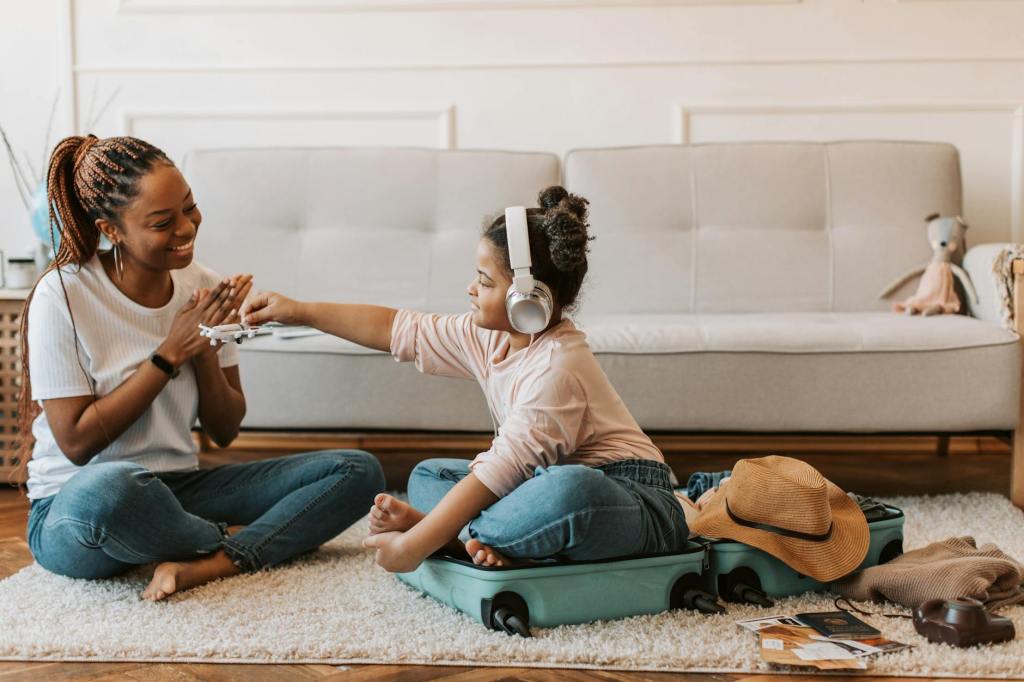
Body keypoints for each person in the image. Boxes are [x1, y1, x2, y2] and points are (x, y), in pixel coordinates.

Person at [243, 186, 688, 572]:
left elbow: (502, 470)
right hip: (533, 489)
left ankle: (447, 535)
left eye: (484, 280)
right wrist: (297, 311)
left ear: (527, 299)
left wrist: (412, 546)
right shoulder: (487, 337)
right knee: (428, 474)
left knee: (566, 492)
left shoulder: (558, 368)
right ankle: (493, 539)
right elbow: (397, 329)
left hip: (633, 501)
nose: (470, 289)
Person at [19, 135, 385, 599]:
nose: (187, 228)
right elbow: (75, 442)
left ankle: (209, 561)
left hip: (177, 488)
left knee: (358, 472)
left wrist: (207, 346)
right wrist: (169, 354)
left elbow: (225, 429)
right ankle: (226, 541)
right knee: (109, 489)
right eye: (162, 222)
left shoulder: (204, 285)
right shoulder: (63, 295)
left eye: (190, 208)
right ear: (112, 230)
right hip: (74, 509)